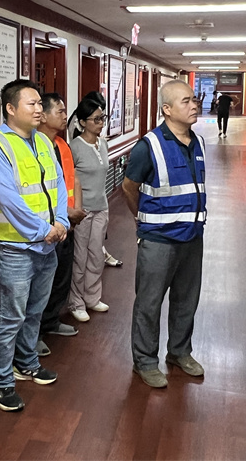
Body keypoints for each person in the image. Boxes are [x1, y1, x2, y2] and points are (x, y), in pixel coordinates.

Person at [0, 79, 68, 412]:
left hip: (47, 244)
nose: (39, 109)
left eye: (40, 103)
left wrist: (62, 221)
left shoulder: (43, 141)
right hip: (14, 248)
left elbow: (58, 184)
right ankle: (1, 381)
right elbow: (8, 199)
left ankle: (26, 362)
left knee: (35, 311)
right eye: (32, 103)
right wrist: (44, 230)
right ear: (10, 109)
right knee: (9, 317)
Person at [121, 80, 207, 388]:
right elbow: (129, 188)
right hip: (159, 239)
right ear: (167, 109)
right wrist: (143, 219)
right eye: (186, 101)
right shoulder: (149, 146)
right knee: (149, 302)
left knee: (187, 300)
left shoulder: (198, 142)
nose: (194, 105)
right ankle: (145, 361)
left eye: (194, 99)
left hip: (192, 236)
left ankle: (179, 352)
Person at [35, 92, 87, 357]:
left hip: (66, 223)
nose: (66, 116)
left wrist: (74, 213)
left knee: (62, 276)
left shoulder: (62, 145)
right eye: (60, 111)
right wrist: (65, 215)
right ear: (43, 116)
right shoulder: (35, 146)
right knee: (41, 283)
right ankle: (35, 334)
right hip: (46, 227)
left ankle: (51, 321)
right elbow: (40, 191)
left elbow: (73, 179)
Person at [69, 95, 111, 322]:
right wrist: (74, 209)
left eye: (102, 118)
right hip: (82, 211)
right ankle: (76, 302)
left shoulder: (103, 144)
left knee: (97, 255)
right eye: (96, 119)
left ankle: (92, 297)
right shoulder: (74, 147)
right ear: (83, 122)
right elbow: (69, 181)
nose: (101, 123)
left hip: (101, 207)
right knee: (80, 257)